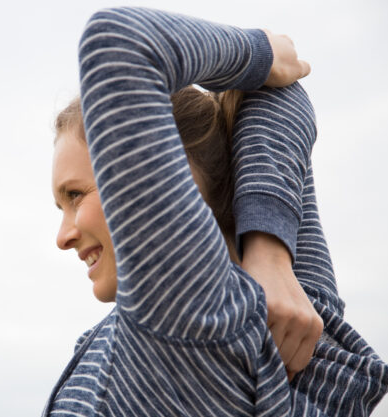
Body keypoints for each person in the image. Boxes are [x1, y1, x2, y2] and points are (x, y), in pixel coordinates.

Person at [45, 7, 387, 416]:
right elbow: (280, 89)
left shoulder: (180, 315)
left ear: (171, 173)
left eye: (76, 195)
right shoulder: (298, 309)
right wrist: (269, 252)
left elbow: (117, 43)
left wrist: (260, 51)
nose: (62, 237)